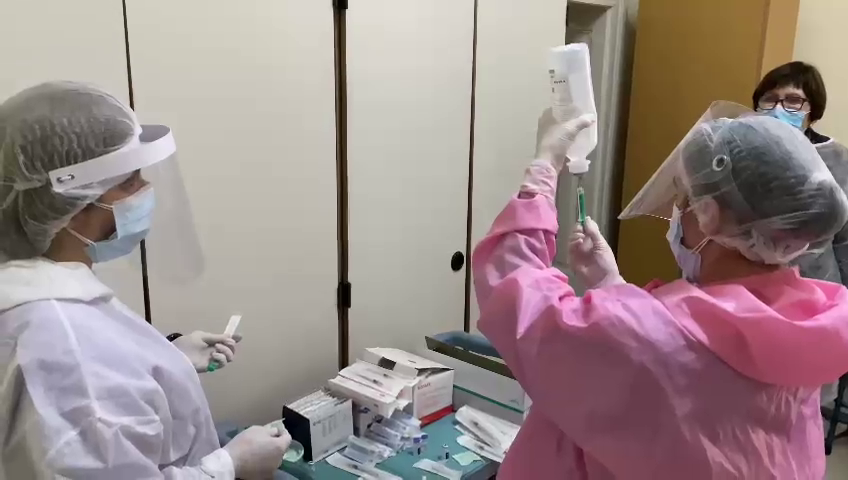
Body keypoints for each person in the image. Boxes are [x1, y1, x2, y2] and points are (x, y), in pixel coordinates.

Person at [473, 101, 848, 478]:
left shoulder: (650, 341)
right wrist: (613, 287)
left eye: (684, 198)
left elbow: (516, 291)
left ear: (710, 215)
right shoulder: (806, 329)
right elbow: (682, 397)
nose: (677, 212)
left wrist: (542, 171)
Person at [0, 82, 290, 479]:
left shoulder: (40, 287)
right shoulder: (63, 344)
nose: (145, 190)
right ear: (68, 204)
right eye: (129, 180)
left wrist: (164, 358)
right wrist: (230, 465)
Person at [753, 61, 848, 283]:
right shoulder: (738, 151)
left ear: (812, 110)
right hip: (745, 286)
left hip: (817, 286)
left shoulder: (835, 159)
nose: (778, 109)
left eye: (793, 100)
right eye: (770, 99)